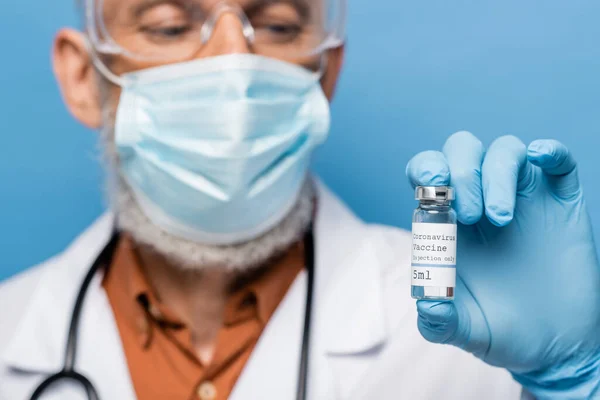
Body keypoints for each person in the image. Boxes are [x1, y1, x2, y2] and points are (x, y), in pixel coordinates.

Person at [1, 0, 599, 399]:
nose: (233, 64)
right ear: (83, 78)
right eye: (169, 25)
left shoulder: (471, 330)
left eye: (280, 25)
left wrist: (571, 381)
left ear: (326, 72)